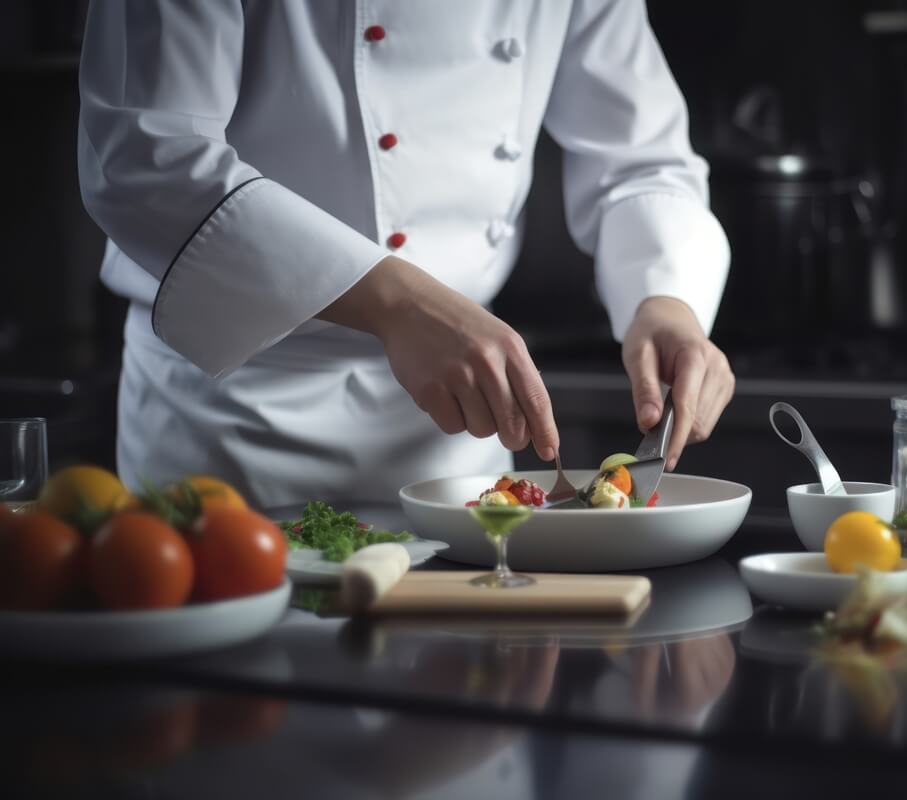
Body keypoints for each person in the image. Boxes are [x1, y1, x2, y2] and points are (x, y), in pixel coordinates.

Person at [78, 1, 734, 508]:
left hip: (457, 433)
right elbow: (148, 156)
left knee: (463, 668)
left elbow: (642, 162)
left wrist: (667, 302)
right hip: (229, 419)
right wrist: (401, 306)